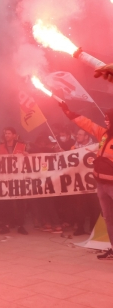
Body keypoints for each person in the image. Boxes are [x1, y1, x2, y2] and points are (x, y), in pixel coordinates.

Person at [59, 102, 113, 258]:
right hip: (102, 185)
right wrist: (68, 112)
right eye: (105, 119)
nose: (106, 122)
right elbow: (86, 123)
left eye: (109, 119)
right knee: (108, 218)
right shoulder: (103, 134)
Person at [0, 127, 28, 235]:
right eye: (5, 133)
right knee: (5, 203)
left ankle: (20, 225)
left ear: (14, 135)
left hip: (19, 178)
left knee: (20, 203)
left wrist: (27, 155)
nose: (6, 135)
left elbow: (30, 160)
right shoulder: (0, 146)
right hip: (5, 179)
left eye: (9, 133)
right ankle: (6, 225)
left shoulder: (22, 146)